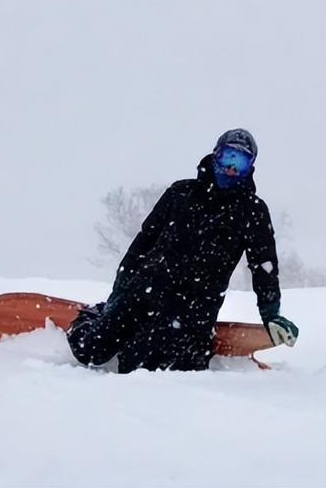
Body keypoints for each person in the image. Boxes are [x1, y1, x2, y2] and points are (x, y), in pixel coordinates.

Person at [68, 128, 298, 373]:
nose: (231, 168)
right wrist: (119, 291)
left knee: (145, 370)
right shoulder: (180, 193)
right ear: (216, 155)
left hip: (195, 309)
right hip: (144, 291)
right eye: (228, 158)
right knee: (90, 351)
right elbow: (142, 244)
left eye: (240, 162)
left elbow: (264, 268)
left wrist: (271, 313)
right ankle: (97, 313)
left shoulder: (253, 212)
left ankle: (147, 343)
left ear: (250, 168)